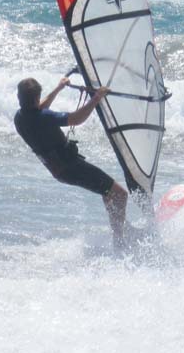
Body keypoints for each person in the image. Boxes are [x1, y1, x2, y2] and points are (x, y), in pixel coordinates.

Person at [14, 76, 129, 248]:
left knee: (109, 193)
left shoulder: (20, 117)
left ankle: (119, 229)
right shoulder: (44, 117)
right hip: (71, 167)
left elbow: (39, 108)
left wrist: (58, 88)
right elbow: (76, 119)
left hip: (59, 170)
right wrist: (97, 97)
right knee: (120, 194)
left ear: (19, 98)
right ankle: (120, 242)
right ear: (37, 97)